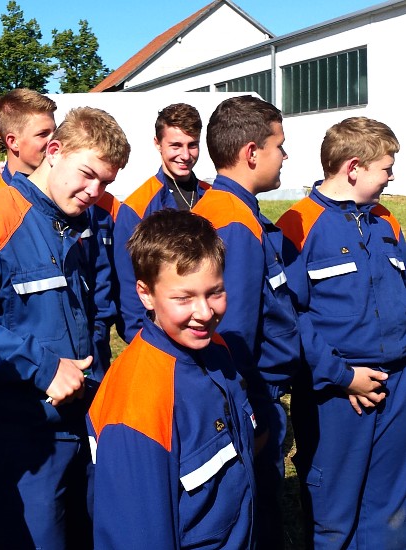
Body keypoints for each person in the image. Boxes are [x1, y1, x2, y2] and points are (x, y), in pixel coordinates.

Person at [0, 106, 130, 549]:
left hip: (79, 423)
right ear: (54, 152)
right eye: (88, 175)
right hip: (19, 436)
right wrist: (42, 367)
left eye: (105, 183)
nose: (95, 192)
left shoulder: (73, 219)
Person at [89, 209, 255, 549]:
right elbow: (136, 537)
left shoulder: (216, 348)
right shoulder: (138, 406)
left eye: (215, 292)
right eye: (184, 298)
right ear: (146, 294)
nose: (205, 313)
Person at [276, 117, 406, 548]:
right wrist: (343, 375)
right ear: (354, 167)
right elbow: (290, 316)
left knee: (390, 502)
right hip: (336, 393)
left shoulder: (386, 221)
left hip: (397, 385)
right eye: (386, 168)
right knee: (334, 505)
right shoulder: (297, 225)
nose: (391, 177)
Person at [191, 95, 300, 549]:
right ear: (251, 152)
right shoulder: (233, 223)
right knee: (258, 516)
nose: (285, 156)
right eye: (279, 145)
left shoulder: (233, 211)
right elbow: (230, 335)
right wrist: (253, 414)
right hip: (253, 396)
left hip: (254, 393)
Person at [114, 103, 210, 343]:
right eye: (175, 145)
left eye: (192, 145)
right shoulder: (137, 208)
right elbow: (128, 284)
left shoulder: (213, 196)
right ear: (157, 143)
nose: (185, 155)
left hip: (209, 325)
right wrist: (142, 340)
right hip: (162, 334)